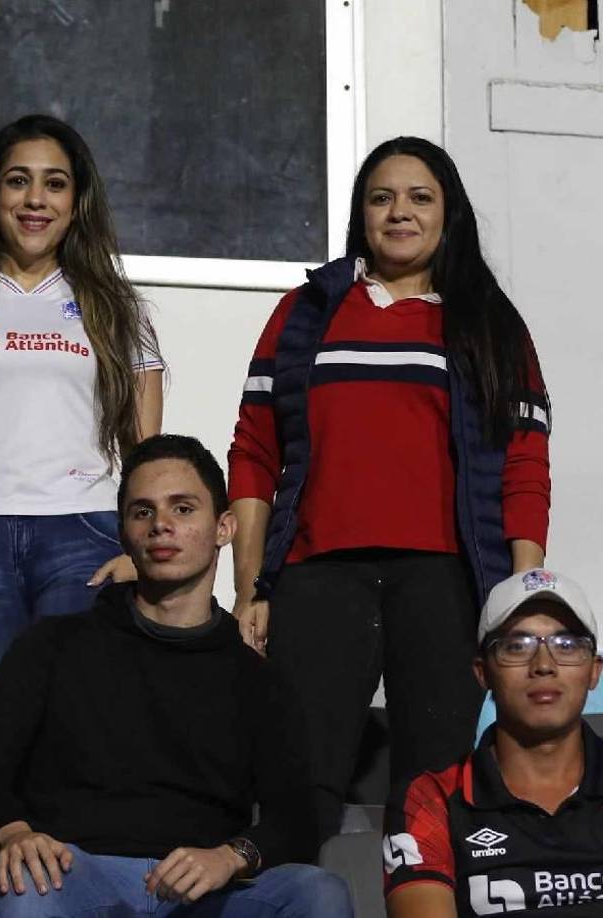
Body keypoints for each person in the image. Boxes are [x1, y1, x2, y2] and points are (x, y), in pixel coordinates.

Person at [228, 136, 551, 840]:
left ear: (448, 214)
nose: (399, 211)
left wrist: (520, 600)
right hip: (317, 577)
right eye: (382, 198)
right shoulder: (305, 312)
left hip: (445, 582)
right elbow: (254, 451)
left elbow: (525, 466)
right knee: (298, 778)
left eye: (419, 197)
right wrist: (252, 587)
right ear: (361, 215)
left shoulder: (490, 322)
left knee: (434, 785)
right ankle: (294, 891)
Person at [0, 434, 351, 918]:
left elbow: (296, 819)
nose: (161, 524)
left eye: (183, 509)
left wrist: (231, 857)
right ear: (124, 534)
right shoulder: (52, 645)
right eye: (143, 512)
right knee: (28, 890)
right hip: (74, 875)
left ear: (224, 527)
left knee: (317, 892)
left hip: (204, 892)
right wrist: (15, 832)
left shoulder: (258, 680)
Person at [0, 113, 165, 728]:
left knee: (70, 732)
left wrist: (141, 551)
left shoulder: (119, 309)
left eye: (54, 183)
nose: (35, 199)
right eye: (18, 180)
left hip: (84, 538)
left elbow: (148, 456)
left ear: (76, 204)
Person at [384, 568, 602, 917]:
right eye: (517, 646)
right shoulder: (431, 796)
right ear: (482, 672)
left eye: (566, 645)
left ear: (594, 670)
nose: (543, 665)